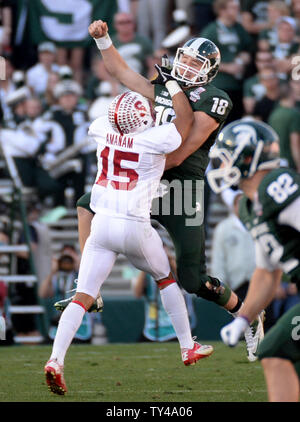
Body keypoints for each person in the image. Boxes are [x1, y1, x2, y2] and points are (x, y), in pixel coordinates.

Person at [55, 19, 264, 361]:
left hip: (181, 188)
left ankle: (246, 313)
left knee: (193, 279)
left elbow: (180, 150)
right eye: (186, 58)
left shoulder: (215, 99)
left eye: (196, 63)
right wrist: (104, 41)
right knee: (86, 204)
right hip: (147, 180)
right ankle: (88, 290)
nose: (187, 66)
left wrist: (128, 162)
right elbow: (124, 74)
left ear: (209, 70)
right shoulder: (164, 84)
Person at [44, 78, 214, 395]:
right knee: (165, 278)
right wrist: (174, 88)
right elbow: (186, 120)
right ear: (143, 118)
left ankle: (56, 359)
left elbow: (109, 121)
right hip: (135, 225)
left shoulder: (100, 129)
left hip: (102, 225)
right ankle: (187, 346)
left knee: (83, 296)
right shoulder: (153, 139)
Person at [207, 119, 300, 402]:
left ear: (248, 157)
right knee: (280, 356)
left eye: (225, 159)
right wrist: (244, 317)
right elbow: (267, 272)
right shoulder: (250, 206)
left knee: (274, 350)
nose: (220, 168)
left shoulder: (276, 185)